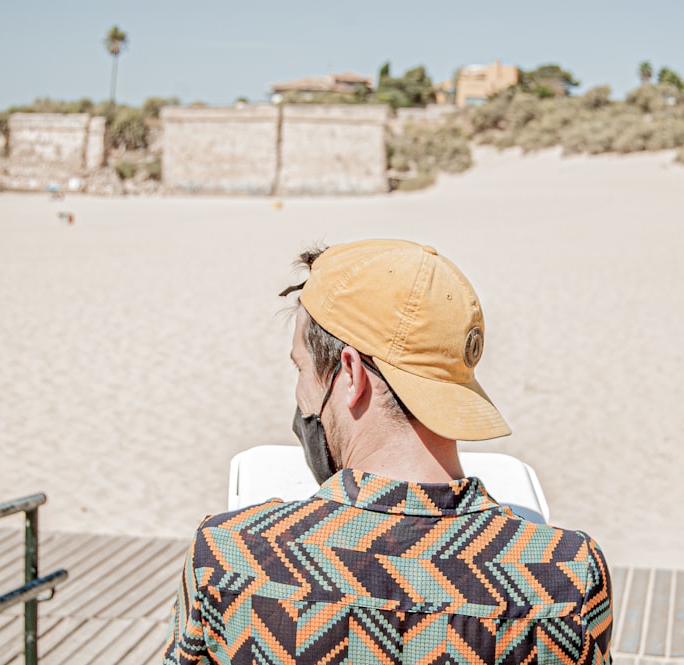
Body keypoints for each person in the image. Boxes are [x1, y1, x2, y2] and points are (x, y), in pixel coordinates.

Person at [163, 239, 613, 664]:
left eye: (301, 368)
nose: (301, 398)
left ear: (351, 374)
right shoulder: (567, 577)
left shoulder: (229, 557)